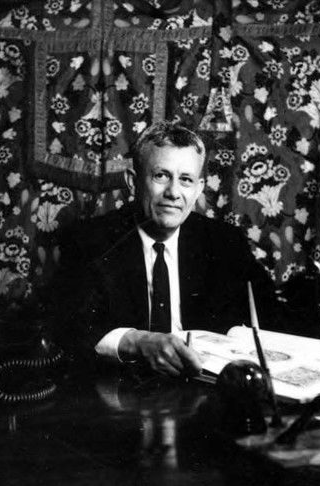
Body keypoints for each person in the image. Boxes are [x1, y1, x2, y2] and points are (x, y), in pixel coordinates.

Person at [49, 121, 282, 377]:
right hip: (121, 387)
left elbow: (272, 309)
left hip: (203, 389)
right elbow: (68, 324)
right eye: (161, 176)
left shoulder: (224, 241)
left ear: (198, 189)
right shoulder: (90, 240)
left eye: (185, 180)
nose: (173, 192)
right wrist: (137, 342)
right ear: (133, 181)